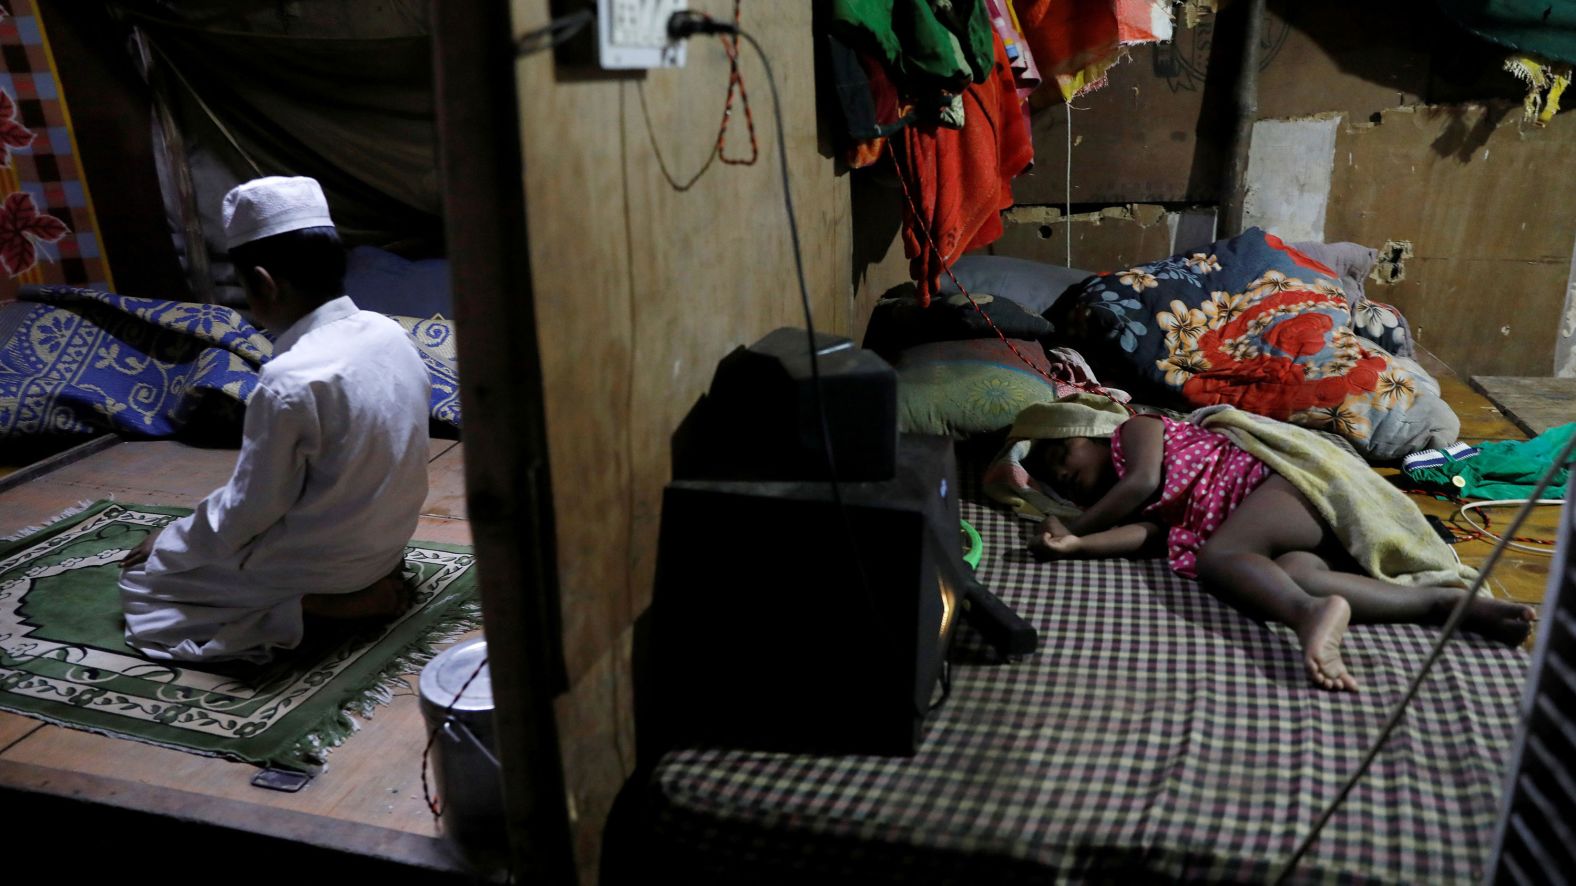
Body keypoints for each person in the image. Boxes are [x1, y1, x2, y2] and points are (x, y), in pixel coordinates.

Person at [118, 176, 432, 663]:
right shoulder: (388, 334)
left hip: (328, 569)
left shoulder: (289, 379)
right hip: (385, 548)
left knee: (143, 589)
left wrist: (172, 541)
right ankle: (365, 584)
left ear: (263, 283)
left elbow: (250, 509)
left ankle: (325, 604)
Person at [1024, 410, 1536, 692]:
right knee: (1294, 571)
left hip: (1277, 486)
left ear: (1086, 431)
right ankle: (1443, 604)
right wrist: (1079, 545)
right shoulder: (1136, 503)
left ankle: (1308, 616)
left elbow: (1139, 482)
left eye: (1060, 452)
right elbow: (1151, 534)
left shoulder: (1134, 431)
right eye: (1055, 482)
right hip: (1280, 527)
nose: (1061, 472)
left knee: (1219, 559)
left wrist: (1075, 522)